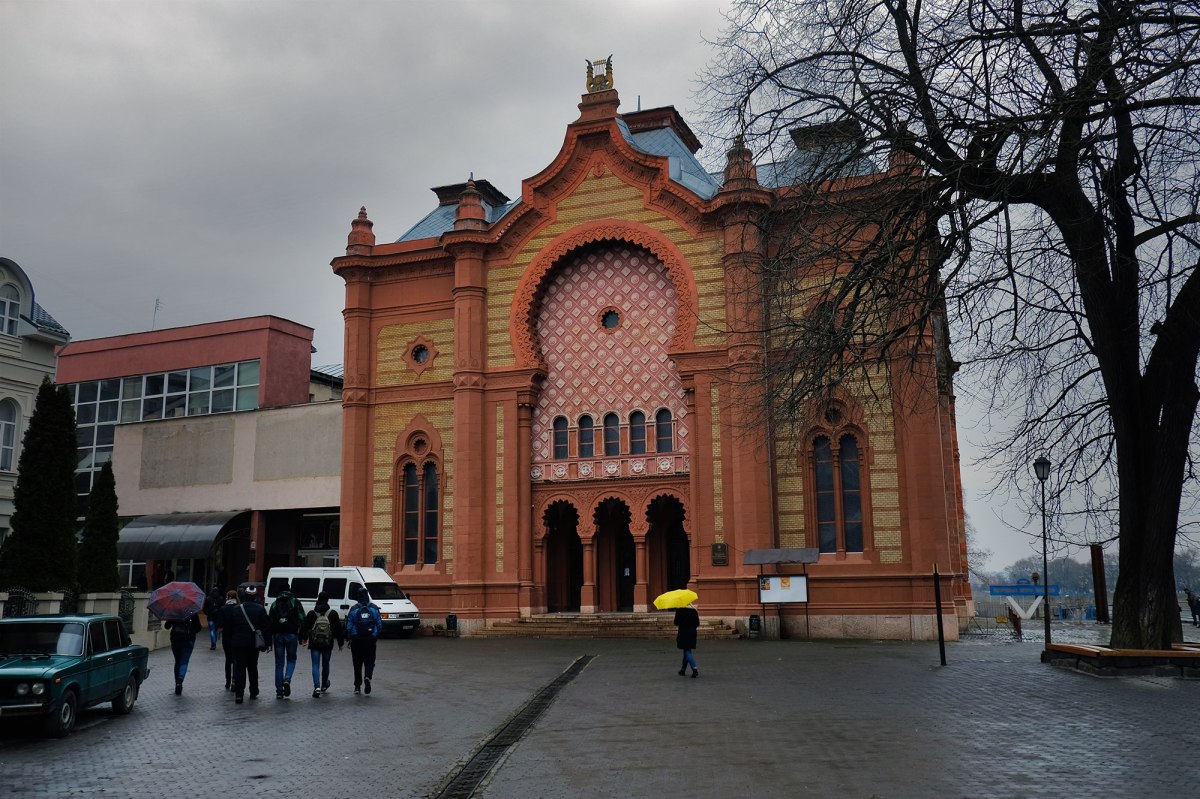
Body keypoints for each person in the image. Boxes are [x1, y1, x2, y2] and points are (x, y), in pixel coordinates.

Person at [221, 587, 270, 704]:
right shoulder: (260, 609)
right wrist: (267, 643)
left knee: (240, 667)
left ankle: (239, 694)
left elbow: (230, 627)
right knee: (253, 667)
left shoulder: (237, 609)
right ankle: (253, 690)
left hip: (239, 642)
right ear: (255, 596)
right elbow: (265, 627)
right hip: (253, 643)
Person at [300, 591, 345, 698]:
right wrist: (340, 643)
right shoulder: (332, 613)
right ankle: (324, 684)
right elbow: (338, 629)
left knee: (315, 665)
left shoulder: (312, 613)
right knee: (326, 663)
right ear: (327, 600)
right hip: (327, 643)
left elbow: (305, 627)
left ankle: (317, 687)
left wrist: (303, 638)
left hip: (314, 643)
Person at [268, 582, 305, 699]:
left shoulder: (275, 603)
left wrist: (269, 640)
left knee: (279, 663)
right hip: (291, 634)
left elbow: (269, 622)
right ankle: (287, 679)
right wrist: (303, 636)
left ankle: (279, 691)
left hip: (278, 635)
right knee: (291, 659)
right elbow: (302, 618)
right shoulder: (295, 602)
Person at [345, 588, 383, 694]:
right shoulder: (374, 608)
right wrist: (375, 636)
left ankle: (357, 686)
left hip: (356, 640)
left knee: (357, 663)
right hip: (370, 640)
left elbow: (349, 625)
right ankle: (368, 677)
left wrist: (349, 638)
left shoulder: (353, 609)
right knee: (370, 661)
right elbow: (379, 624)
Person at [166, 613, 202, 694]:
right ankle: (180, 681)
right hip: (189, 640)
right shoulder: (193, 613)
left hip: (176, 640)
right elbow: (198, 628)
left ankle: (177, 684)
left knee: (177, 662)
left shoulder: (174, 612)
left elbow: (167, 626)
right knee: (184, 662)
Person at [214, 589, 240, 690]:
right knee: (236, 659)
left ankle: (227, 681)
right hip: (237, 637)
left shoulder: (223, 609)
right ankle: (234, 679)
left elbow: (220, 625)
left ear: (227, 597)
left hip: (227, 638)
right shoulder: (238, 608)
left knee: (228, 660)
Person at [674, 602, 700, 678]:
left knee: (687, 651)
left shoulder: (679, 611)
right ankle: (683, 669)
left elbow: (676, 622)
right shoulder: (693, 611)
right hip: (692, 633)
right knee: (686, 650)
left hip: (683, 633)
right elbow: (697, 623)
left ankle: (694, 669)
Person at [203, 586, 224, 650]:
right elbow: (223, 608)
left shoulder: (208, 598)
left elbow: (204, 608)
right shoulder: (221, 598)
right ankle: (214, 641)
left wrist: (208, 613)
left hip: (210, 617)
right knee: (216, 630)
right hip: (218, 617)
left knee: (212, 630)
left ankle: (213, 643)